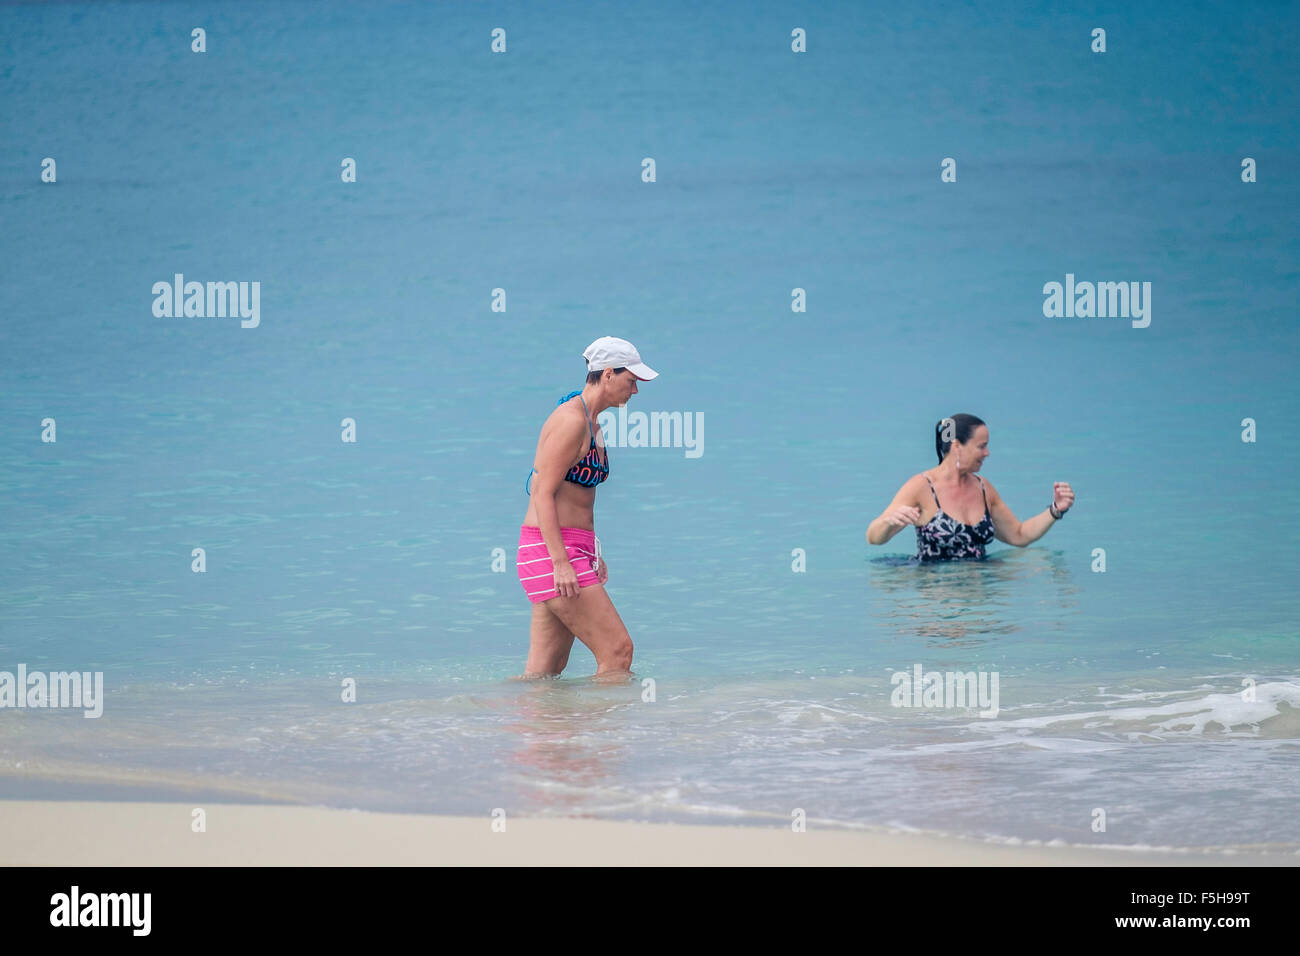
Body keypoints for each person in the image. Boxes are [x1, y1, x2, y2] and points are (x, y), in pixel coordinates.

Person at [516, 336, 658, 679]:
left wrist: (590, 551)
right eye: (632, 380)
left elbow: (577, 498)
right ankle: (603, 732)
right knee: (618, 652)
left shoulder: (591, 421)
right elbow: (542, 493)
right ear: (607, 374)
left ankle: (525, 728)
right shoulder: (571, 422)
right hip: (551, 553)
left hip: (567, 549)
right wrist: (562, 562)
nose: (636, 391)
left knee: (544, 673)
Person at [866, 414, 1075, 561]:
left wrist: (1055, 510)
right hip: (936, 602)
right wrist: (888, 522)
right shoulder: (921, 486)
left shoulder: (983, 488)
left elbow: (1019, 535)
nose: (987, 453)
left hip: (980, 598)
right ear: (956, 446)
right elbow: (873, 537)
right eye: (981, 446)